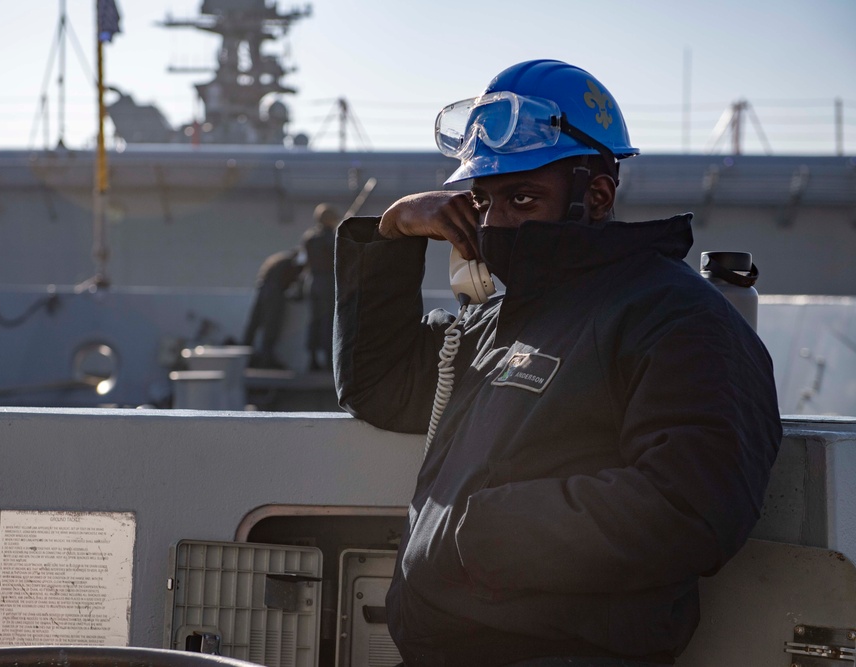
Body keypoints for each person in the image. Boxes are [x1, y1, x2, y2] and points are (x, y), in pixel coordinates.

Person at [333, 60, 781, 666]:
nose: (496, 224)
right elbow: (379, 383)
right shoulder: (506, 316)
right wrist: (390, 234)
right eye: (481, 202)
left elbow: (692, 505)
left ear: (596, 196)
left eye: (522, 198)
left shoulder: (675, 317)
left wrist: (484, 532)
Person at [241, 247, 304, 369]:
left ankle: (244, 355)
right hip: (274, 293)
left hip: (262, 290)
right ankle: (266, 358)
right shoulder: (291, 263)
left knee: (254, 324)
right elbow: (291, 279)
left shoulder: (279, 260)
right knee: (271, 326)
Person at [301, 203, 340, 371]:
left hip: (312, 282)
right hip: (327, 283)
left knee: (314, 322)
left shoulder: (309, 237)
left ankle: (312, 359)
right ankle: (328, 360)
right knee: (327, 322)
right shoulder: (331, 238)